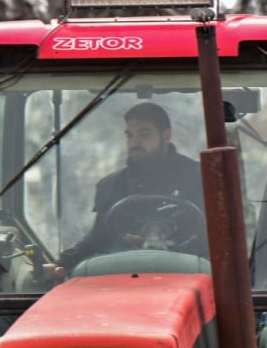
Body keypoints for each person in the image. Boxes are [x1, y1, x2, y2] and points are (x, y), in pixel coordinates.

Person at [59, 102, 204, 270]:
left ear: (166, 135)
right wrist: (63, 264)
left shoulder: (200, 176)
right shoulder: (112, 185)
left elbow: (215, 237)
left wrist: (177, 243)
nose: (135, 143)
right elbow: (98, 237)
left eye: (144, 134)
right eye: (129, 135)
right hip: (127, 273)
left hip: (189, 270)